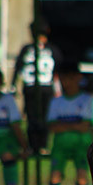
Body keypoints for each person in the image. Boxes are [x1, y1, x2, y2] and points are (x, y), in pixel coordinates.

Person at [46, 61, 93, 185]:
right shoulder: (56, 101)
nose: (68, 82)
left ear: (78, 78)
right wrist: (74, 125)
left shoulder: (86, 99)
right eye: (65, 78)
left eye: (72, 78)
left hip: (81, 144)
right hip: (60, 145)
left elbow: (85, 126)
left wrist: (64, 125)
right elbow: (53, 126)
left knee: (81, 177)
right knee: (55, 177)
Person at [12, 19, 62, 153]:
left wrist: (13, 84)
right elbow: (58, 70)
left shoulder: (28, 49)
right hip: (40, 86)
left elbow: (17, 68)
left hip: (36, 87)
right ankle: (38, 145)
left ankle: (37, 145)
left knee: (36, 117)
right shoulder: (50, 49)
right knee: (38, 117)